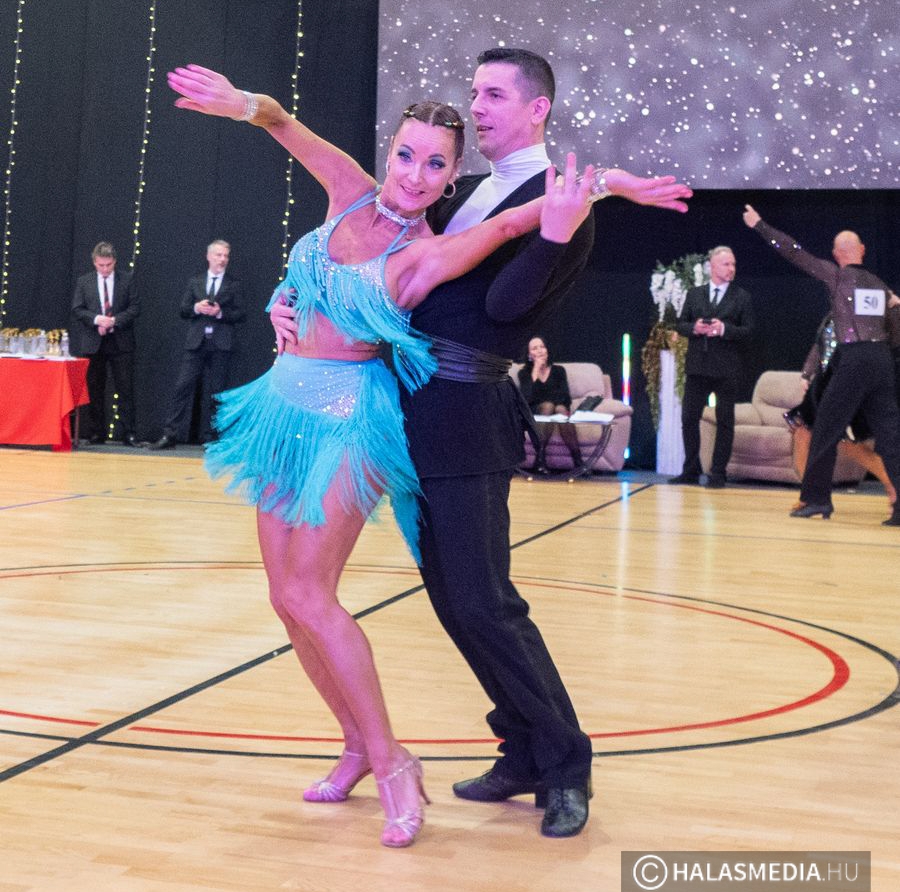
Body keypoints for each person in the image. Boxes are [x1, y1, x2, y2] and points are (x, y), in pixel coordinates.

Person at [166, 61, 601, 848]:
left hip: (377, 414)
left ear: (450, 178)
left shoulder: (436, 244)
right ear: (390, 149)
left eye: (436, 163)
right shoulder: (369, 192)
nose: (415, 172)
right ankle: (379, 746)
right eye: (406, 154)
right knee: (299, 597)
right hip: (290, 405)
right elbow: (284, 126)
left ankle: (430, 758)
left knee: (403, 597)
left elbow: (507, 253)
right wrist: (283, 292)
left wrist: (599, 196)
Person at [272, 46, 691, 838]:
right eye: (475, 92)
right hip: (403, 411)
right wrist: (286, 300)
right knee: (454, 602)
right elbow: (370, 266)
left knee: (486, 602)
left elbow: (504, 308)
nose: (479, 106)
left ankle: (565, 762)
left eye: (495, 94)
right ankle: (521, 748)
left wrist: (558, 234)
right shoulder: (458, 189)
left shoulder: (562, 207)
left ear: (537, 108)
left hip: (468, 414)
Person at [743, 205, 900, 526]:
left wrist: (760, 225)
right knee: (891, 435)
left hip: (854, 359)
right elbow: (896, 333)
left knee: (825, 428)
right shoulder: (881, 286)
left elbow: (793, 251)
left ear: (836, 254)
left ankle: (816, 499)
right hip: (882, 361)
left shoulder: (837, 276)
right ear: (862, 251)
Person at [785, 315, 896, 509]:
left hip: (849, 383)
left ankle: (892, 485)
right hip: (824, 384)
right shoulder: (833, 315)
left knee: (845, 443)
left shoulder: (870, 315)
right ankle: (809, 495)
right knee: (803, 432)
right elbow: (819, 346)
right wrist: (806, 374)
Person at [668, 245, 755, 488]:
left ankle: (718, 472)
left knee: (724, 421)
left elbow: (749, 331)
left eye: (733, 264)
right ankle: (691, 470)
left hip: (726, 368)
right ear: (712, 267)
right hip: (698, 366)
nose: (731, 269)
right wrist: (695, 328)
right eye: (726, 264)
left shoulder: (742, 297)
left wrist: (723, 329)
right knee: (689, 418)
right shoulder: (695, 294)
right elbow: (681, 324)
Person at [151, 240, 246, 449]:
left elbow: (241, 314)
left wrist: (220, 312)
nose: (222, 259)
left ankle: (214, 436)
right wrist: (197, 308)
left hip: (220, 343)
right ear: (209, 256)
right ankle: (170, 433)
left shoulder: (233, 284)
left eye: (226, 256)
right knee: (182, 386)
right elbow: (183, 310)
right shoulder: (196, 281)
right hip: (197, 342)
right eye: (219, 255)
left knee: (218, 390)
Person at [70, 241, 140, 445]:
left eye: (109, 265)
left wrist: (114, 321)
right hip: (94, 341)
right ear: (94, 262)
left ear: (114, 262)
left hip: (120, 341)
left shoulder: (127, 280)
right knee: (95, 388)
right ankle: (96, 432)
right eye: (101, 265)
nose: (105, 269)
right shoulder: (84, 281)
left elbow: (135, 308)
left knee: (125, 388)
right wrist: (96, 320)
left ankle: (128, 432)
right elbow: (78, 309)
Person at [517, 335, 582, 472]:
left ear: (547, 350)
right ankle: (540, 459)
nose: (540, 350)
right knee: (548, 406)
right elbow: (526, 399)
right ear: (529, 355)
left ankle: (578, 461)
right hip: (534, 412)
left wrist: (549, 400)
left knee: (560, 409)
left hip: (558, 408)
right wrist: (535, 370)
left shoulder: (559, 371)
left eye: (542, 347)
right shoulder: (524, 373)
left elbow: (565, 397)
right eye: (535, 348)